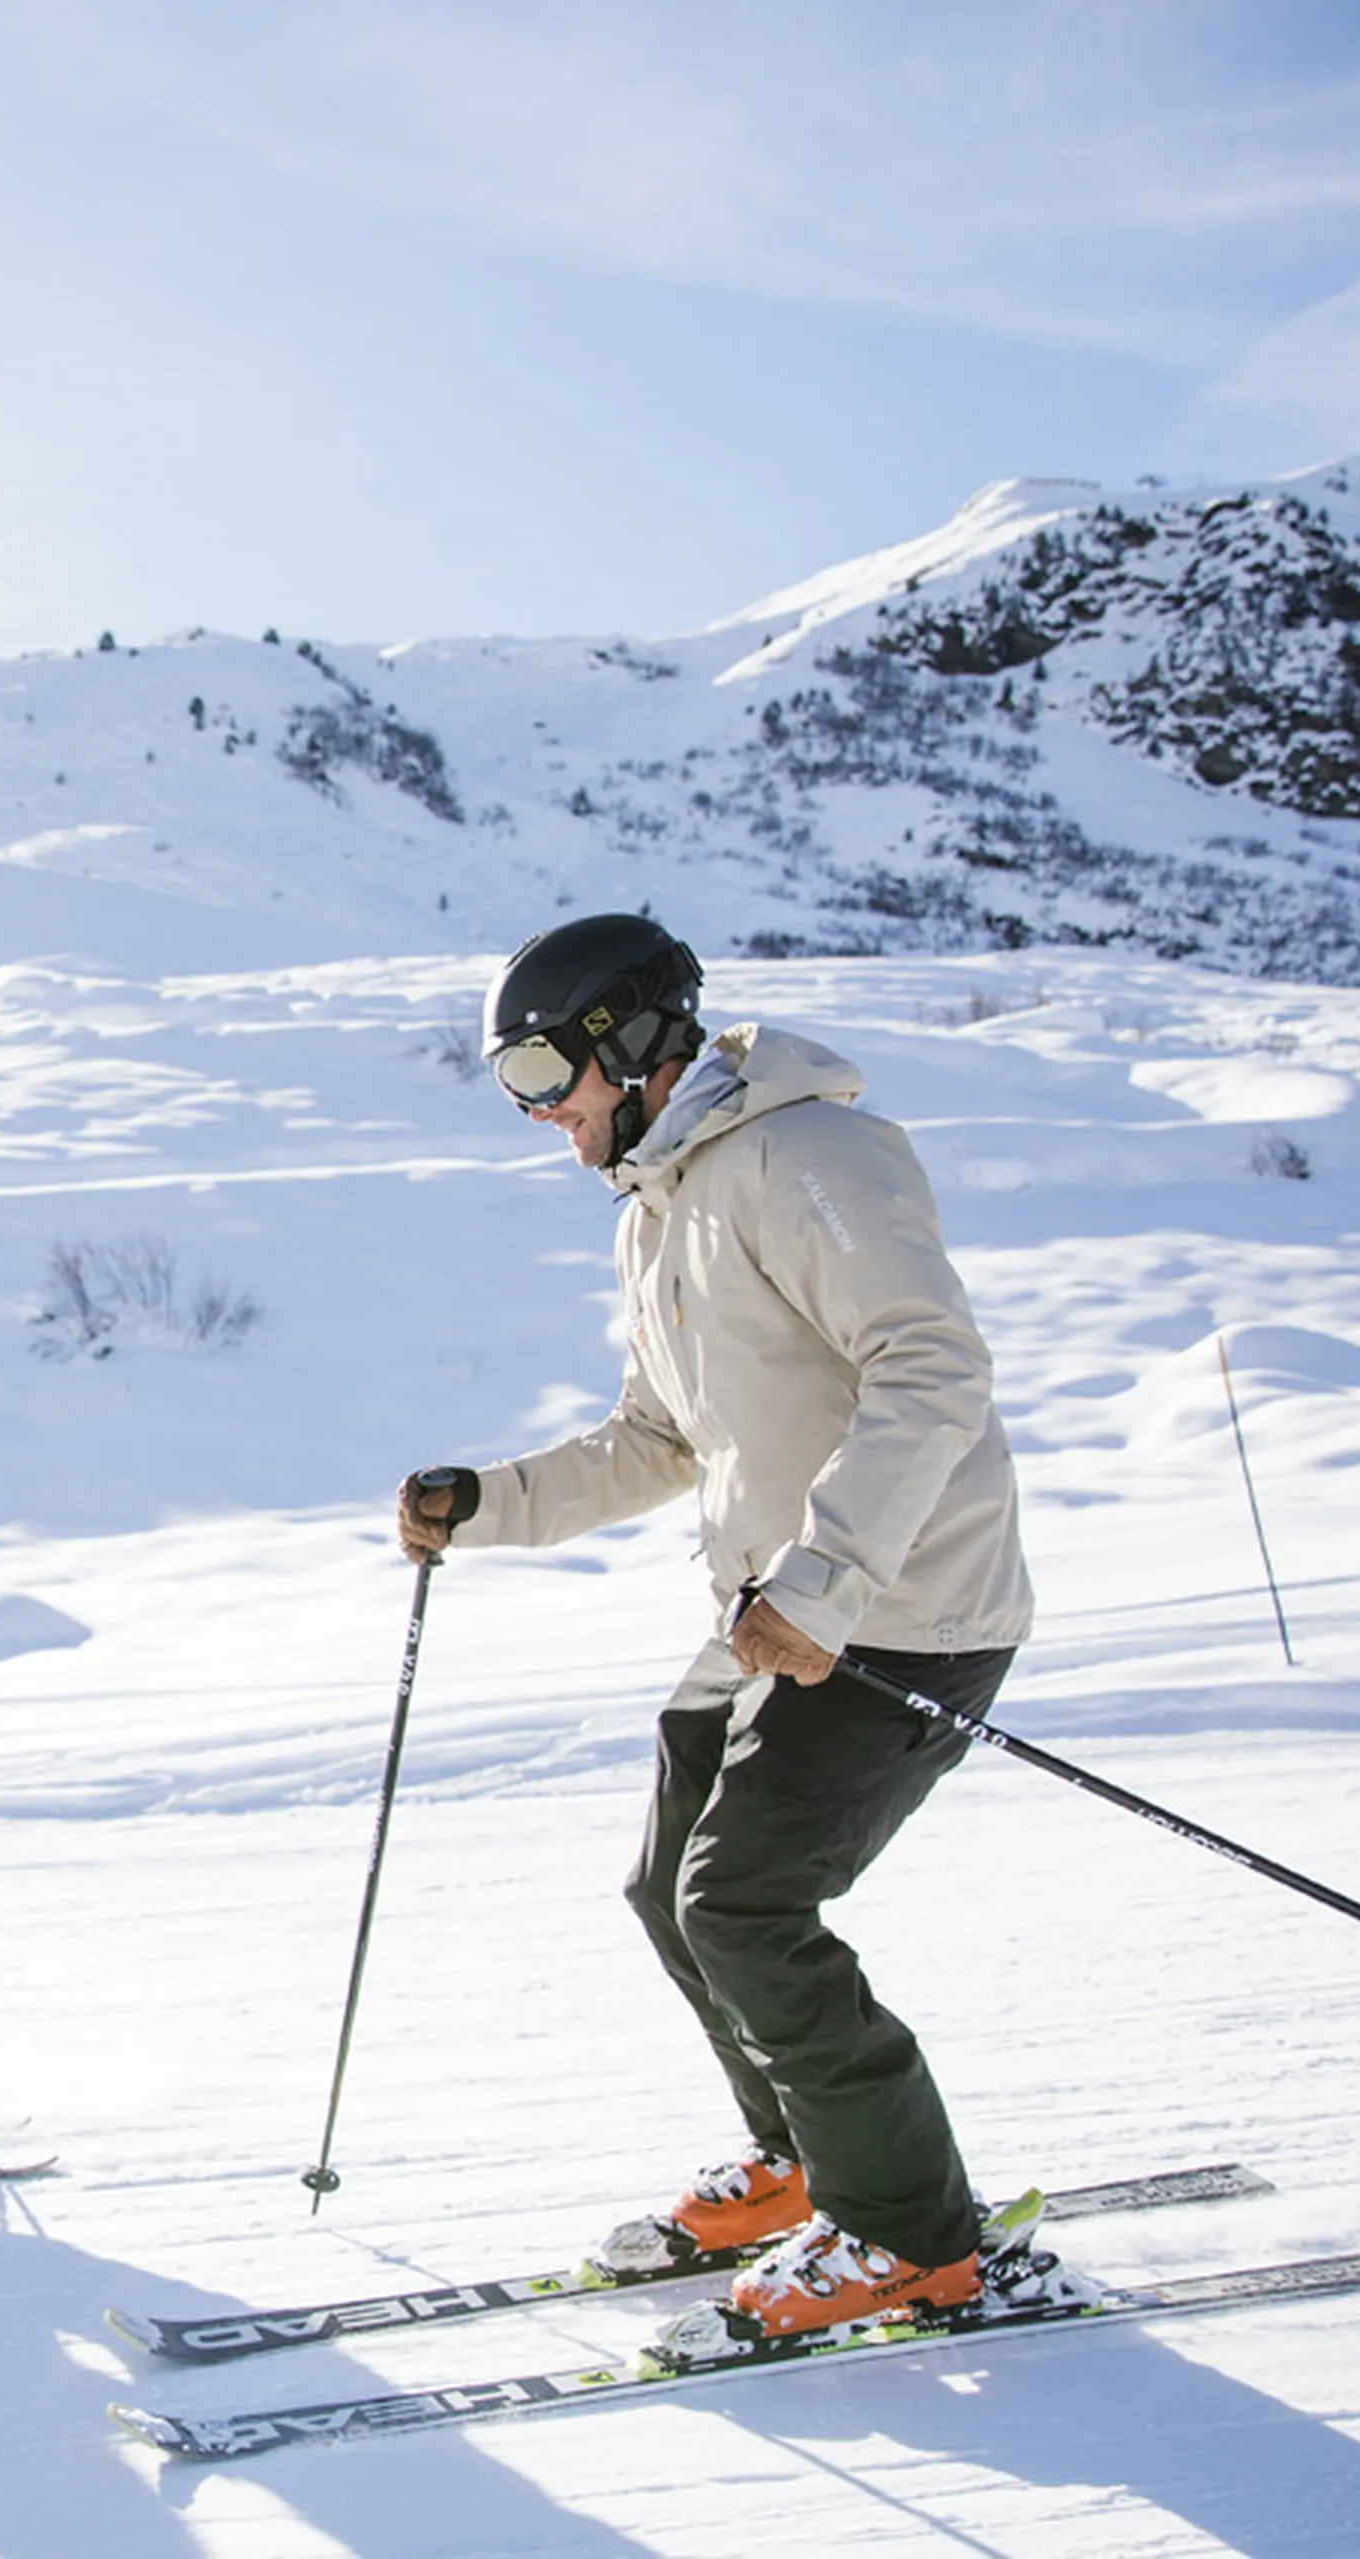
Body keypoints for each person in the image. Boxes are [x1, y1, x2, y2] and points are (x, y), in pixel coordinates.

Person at [398, 913, 1036, 2351]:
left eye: (538, 1070)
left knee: (744, 1900)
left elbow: (930, 1367)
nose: (535, 1108)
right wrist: (487, 1500)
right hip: (781, 1607)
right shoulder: (662, 1202)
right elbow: (657, 1436)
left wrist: (821, 1584)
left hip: (901, 1609)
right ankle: (807, 2152)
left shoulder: (813, 1157)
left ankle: (918, 2236)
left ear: (624, 1037)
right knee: (666, 1884)